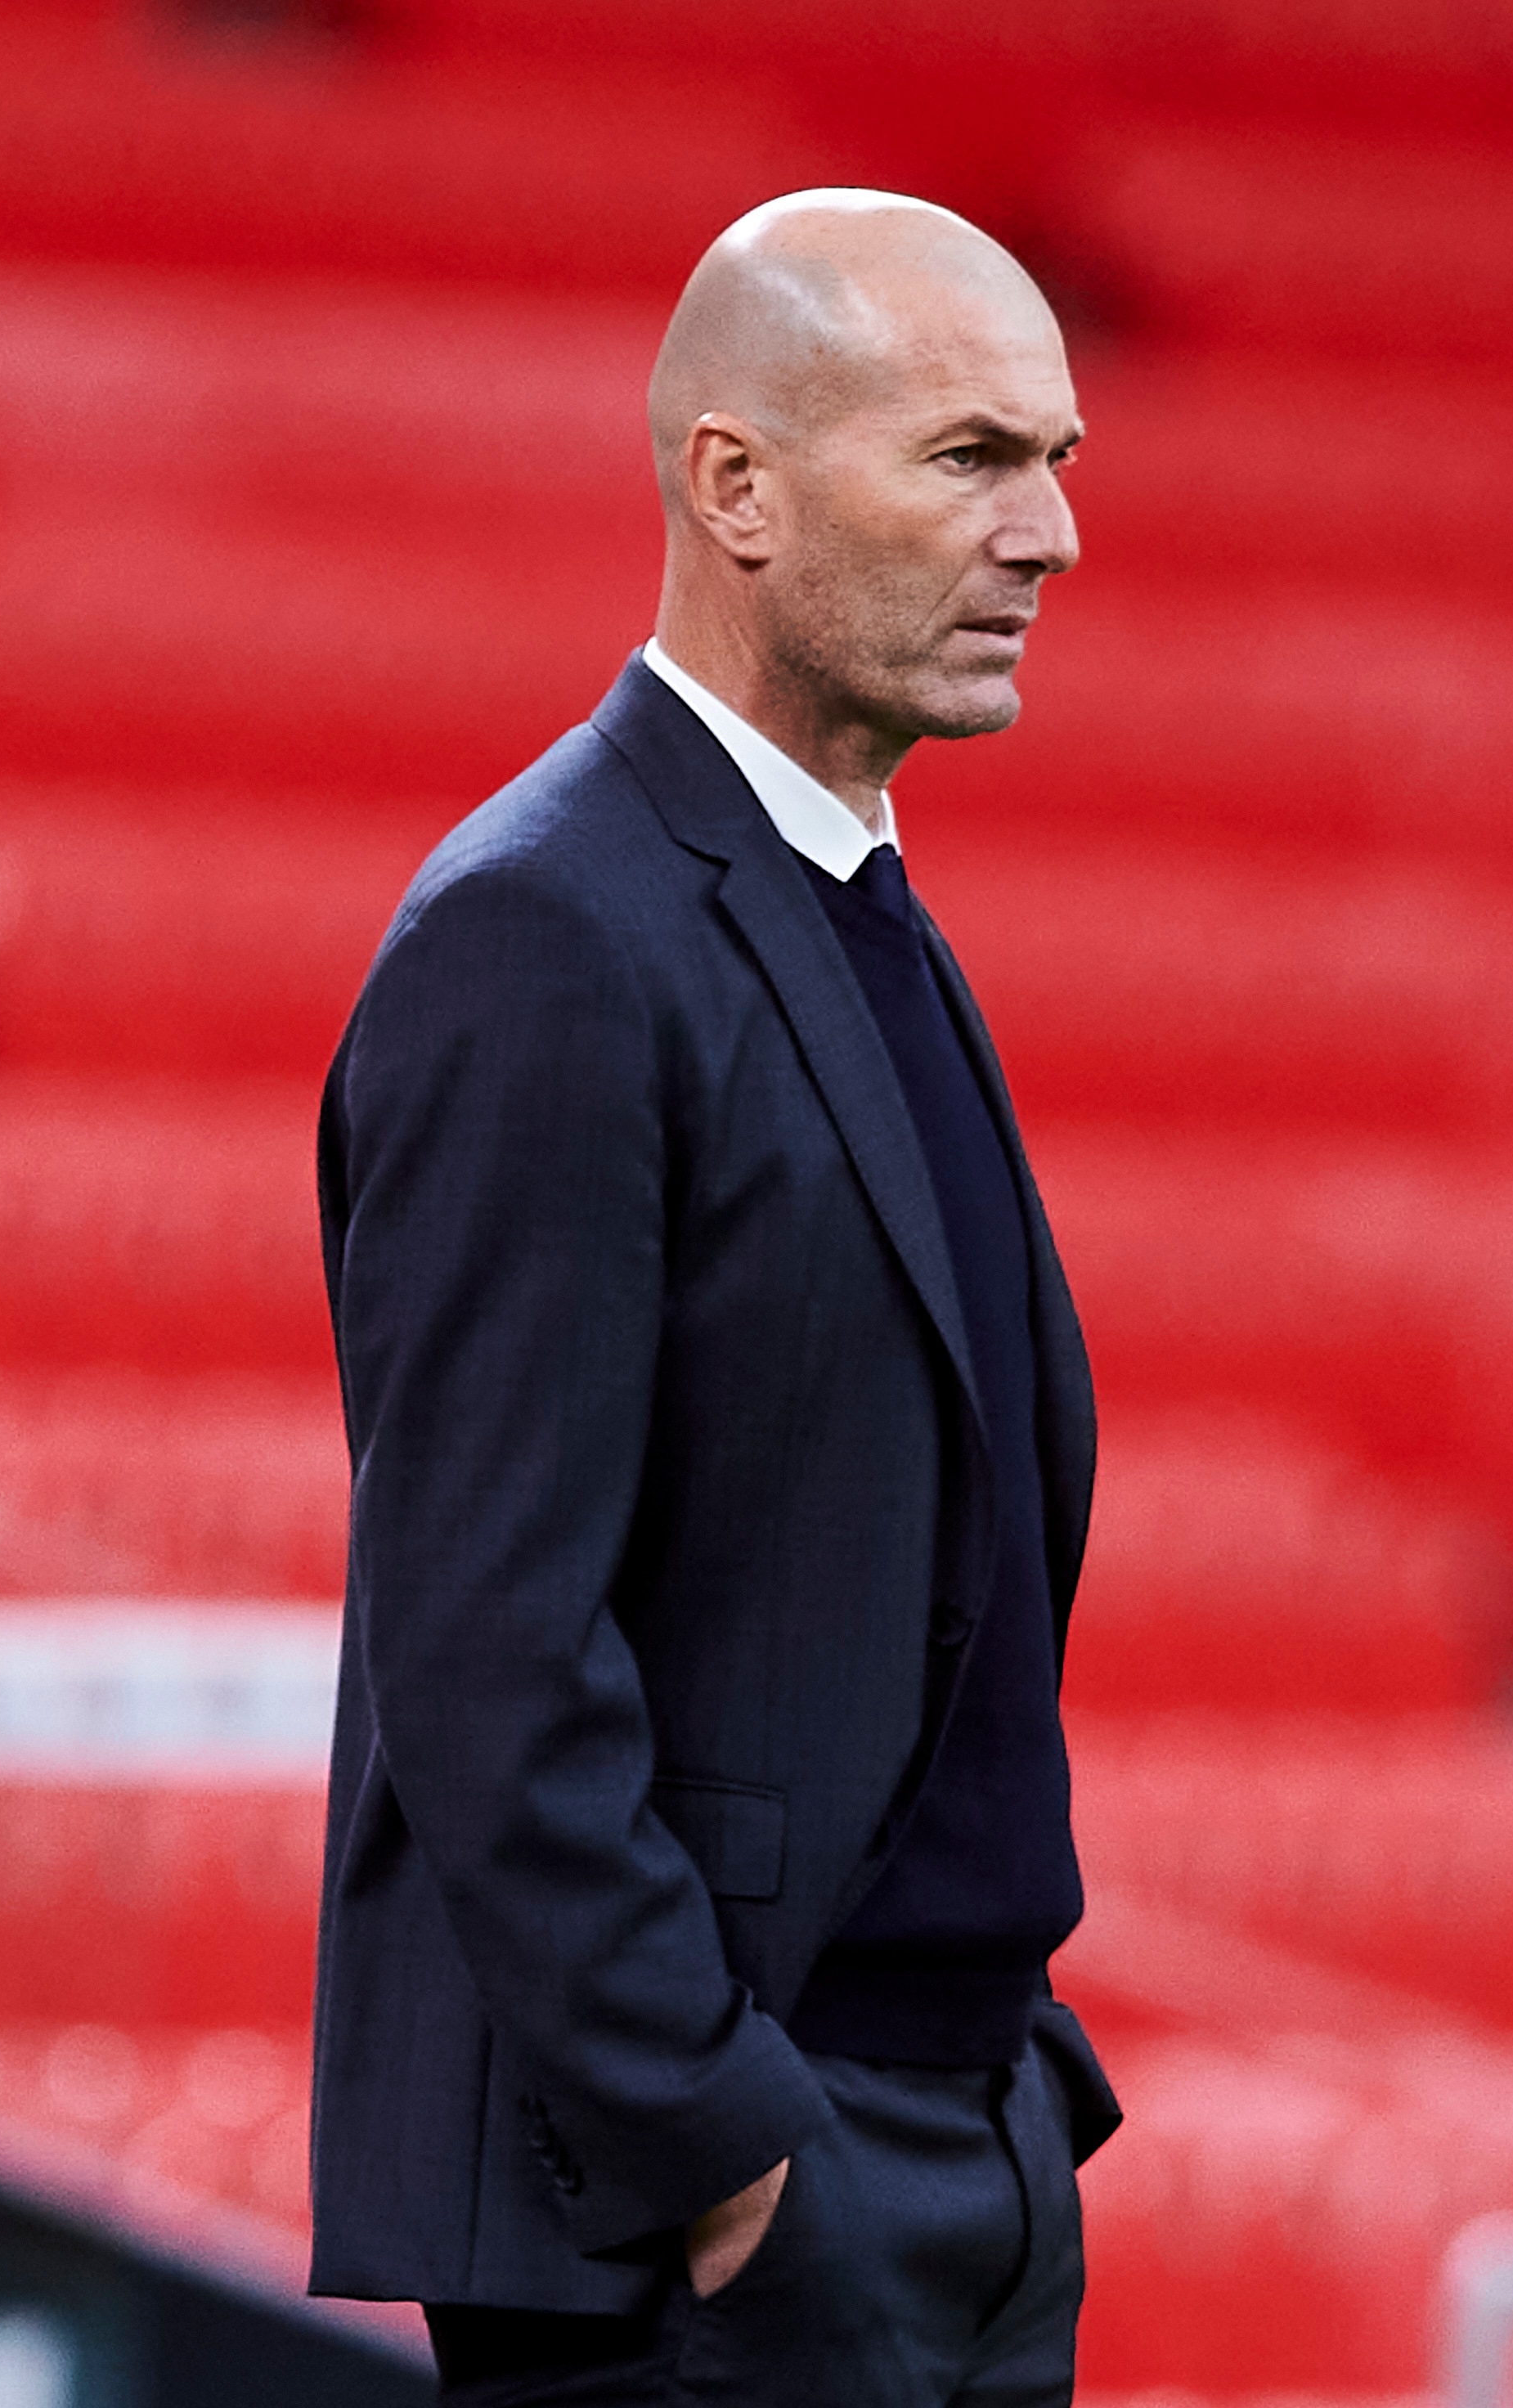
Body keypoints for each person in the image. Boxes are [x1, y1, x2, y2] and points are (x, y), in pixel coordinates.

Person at [304, 188, 1114, 2406]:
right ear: (733, 485)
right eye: (969, 458)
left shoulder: (854, 903)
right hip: (721, 2219)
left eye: (1058, 461)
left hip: (959, 2147)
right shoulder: (546, 933)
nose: (1046, 532)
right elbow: (487, 1641)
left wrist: (1003, 2099)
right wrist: (731, 2152)